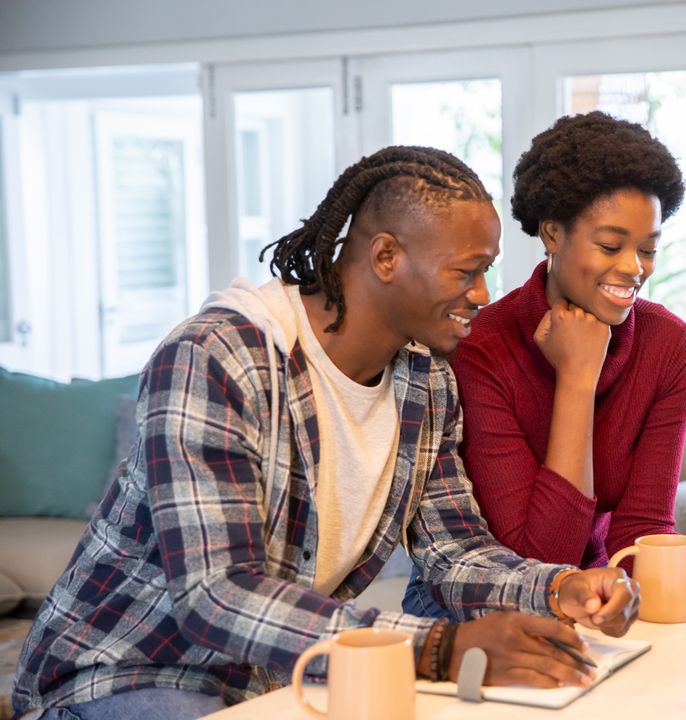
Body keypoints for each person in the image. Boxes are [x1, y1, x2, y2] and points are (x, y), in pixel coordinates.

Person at [12, 146, 639, 720]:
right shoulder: (218, 357)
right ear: (387, 257)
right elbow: (215, 595)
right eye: (466, 272)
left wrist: (557, 587)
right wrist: (439, 647)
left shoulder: (426, 382)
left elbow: (454, 551)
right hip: (126, 676)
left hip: (273, 678)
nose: (482, 294)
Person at [404, 112, 686, 618]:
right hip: (473, 607)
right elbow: (539, 559)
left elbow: (642, 536)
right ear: (552, 232)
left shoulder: (666, 346)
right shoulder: (480, 350)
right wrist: (577, 380)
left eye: (648, 249)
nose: (633, 268)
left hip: (600, 595)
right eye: (610, 245)